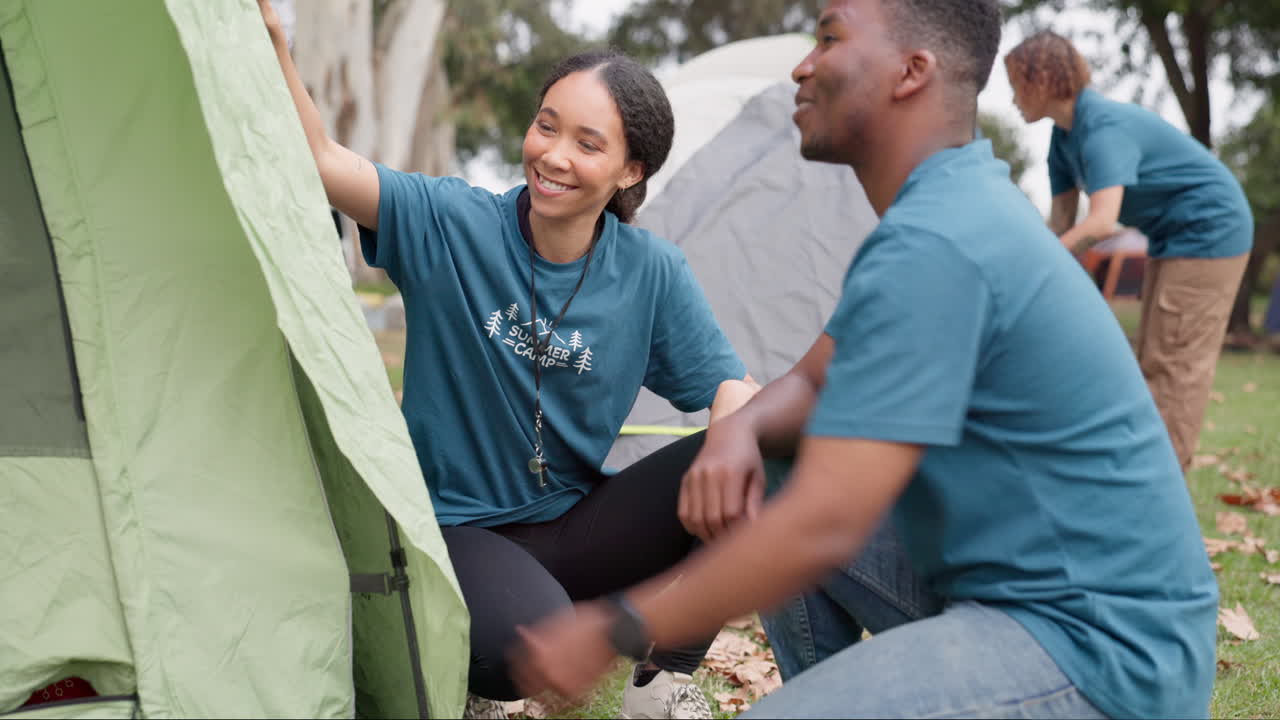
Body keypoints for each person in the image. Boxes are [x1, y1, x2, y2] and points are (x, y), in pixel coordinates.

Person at [511, 1, 1219, 718]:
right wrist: (737, 431)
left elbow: (827, 522)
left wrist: (619, 626)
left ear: (912, 72)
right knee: (778, 455)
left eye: (829, 38)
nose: (802, 64)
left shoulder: (941, 240)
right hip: (996, 599)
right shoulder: (938, 210)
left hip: (1100, 651)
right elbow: (814, 380)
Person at [257, 3, 761, 718]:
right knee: (525, 654)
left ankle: (664, 676)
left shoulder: (650, 271)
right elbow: (321, 160)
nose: (553, 155)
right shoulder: (452, 223)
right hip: (460, 530)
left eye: (588, 144)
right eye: (546, 126)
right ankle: (491, 649)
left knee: (763, 441)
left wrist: (733, 437)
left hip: (578, 525)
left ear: (629, 169)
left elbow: (730, 386)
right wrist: (276, 42)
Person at [1005, 30, 1253, 472]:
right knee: (1151, 358)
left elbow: (1100, 222)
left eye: (1015, 84)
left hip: (1212, 229)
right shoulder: (1063, 140)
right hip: (1171, 236)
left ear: (1041, 80)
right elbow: (1060, 227)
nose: (1011, 98)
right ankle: (1142, 477)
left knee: (1173, 366)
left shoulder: (1102, 127)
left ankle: (1160, 491)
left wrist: (1037, 266)